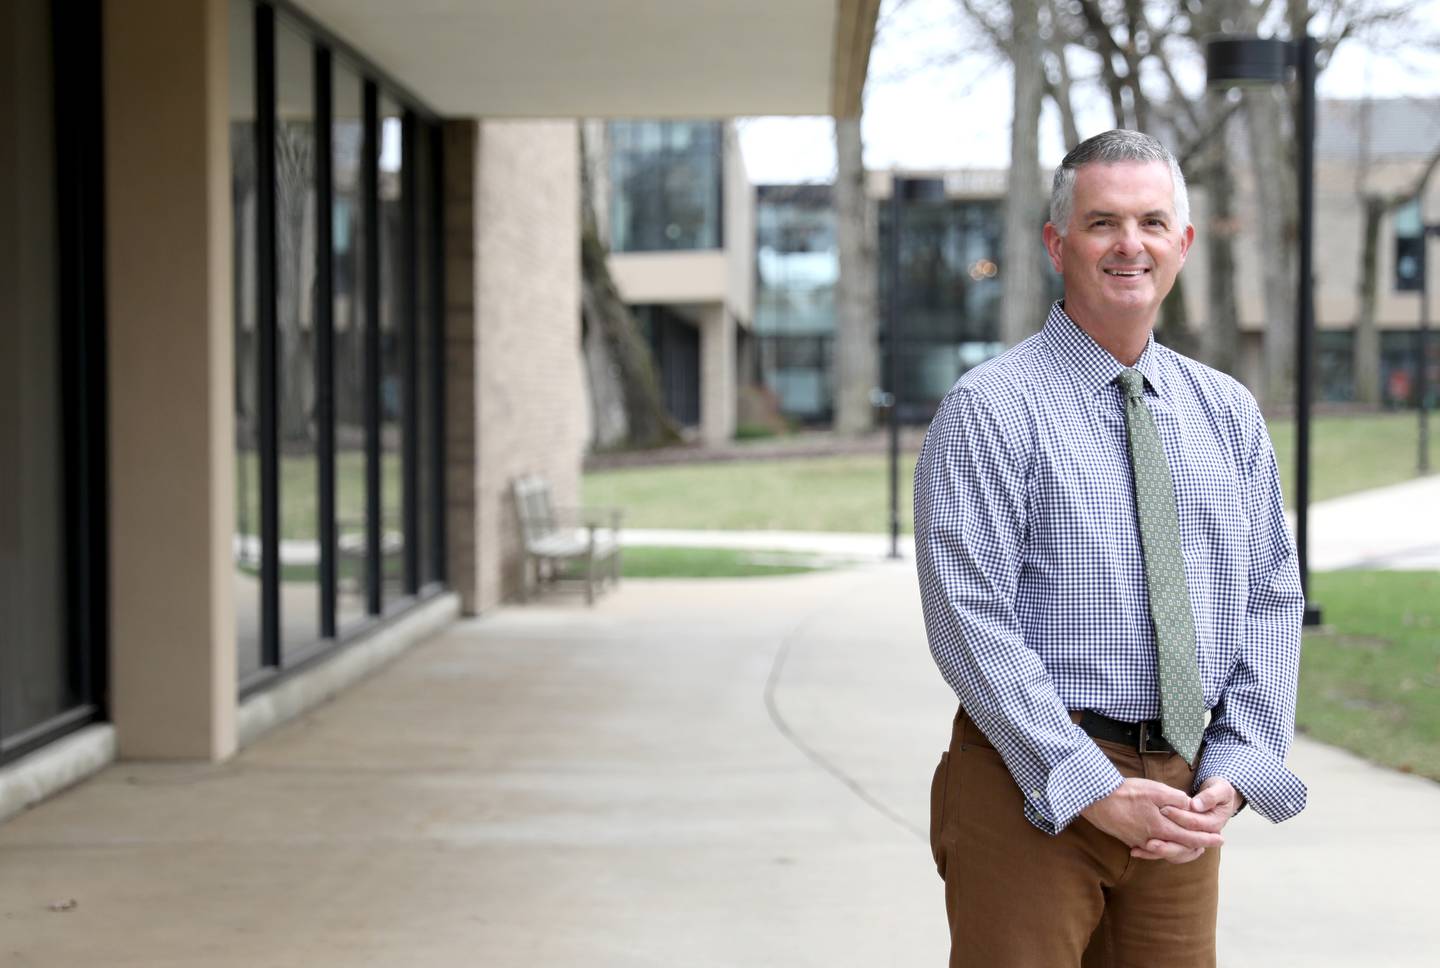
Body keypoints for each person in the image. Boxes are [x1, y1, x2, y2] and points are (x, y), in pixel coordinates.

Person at [913, 129, 1306, 967]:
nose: (1131, 244)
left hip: (1180, 801)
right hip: (1032, 784)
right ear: (1059, 243)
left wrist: (1235, 766)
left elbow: (1272, 596)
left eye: (1153, 222)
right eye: (1103, 223)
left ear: (1183, 244)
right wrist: (1092, 786)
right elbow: (966, 616)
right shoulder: (991, 409)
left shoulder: (1227, 414)